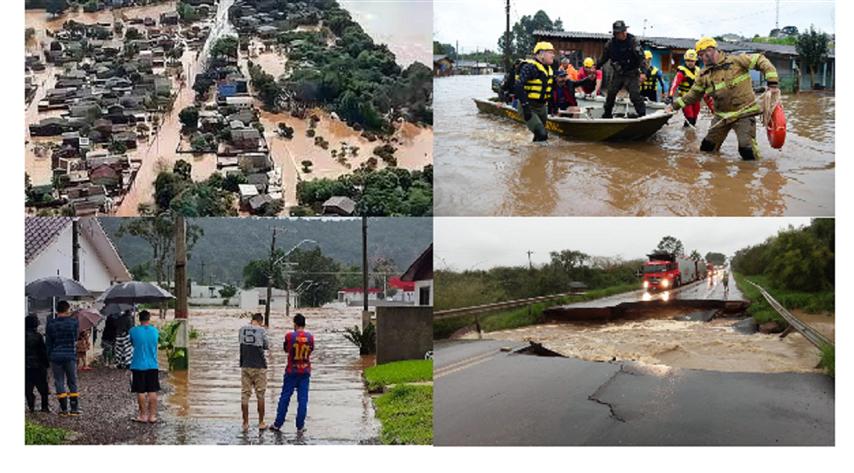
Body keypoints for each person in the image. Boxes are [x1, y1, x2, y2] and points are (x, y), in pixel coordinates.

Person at [667, 37, 779, 160]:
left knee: (746, 150)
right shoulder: (704, 75)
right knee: (707, 149)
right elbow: (692, 95)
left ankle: (751, 173)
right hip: (721, 117)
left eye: (703, 54)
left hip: (744, 114)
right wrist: (673, 106)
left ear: (711, 50)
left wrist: (772, 84)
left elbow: (760, 60)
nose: (701, 58)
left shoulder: (736, 61)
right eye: (700, 55)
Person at [270, 313, 315, 435]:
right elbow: (311, 350)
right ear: (304, 324)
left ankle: (278, 424)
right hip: (305, 372)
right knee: (303, 400)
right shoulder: (310, 337)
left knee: (285, 398)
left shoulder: (290, 336)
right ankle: (300, 426)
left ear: (295, 324)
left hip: (291, 371)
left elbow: (286, 349)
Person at [596, 20, 646, 118]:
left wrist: (643, 72)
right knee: (611, 93)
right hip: (618, 73)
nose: (622, 34)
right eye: (619, 33)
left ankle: (642, 115)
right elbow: (604, 57)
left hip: (632, 73)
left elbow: (641, 58)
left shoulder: (633, 41)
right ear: (615, 33)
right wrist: (596, 67)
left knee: (635, 96)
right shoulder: (610, 44)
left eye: (623, 31)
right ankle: (607, 114)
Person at [513, 41, 557, 142]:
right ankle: (539, 156)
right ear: (541, 54)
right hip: (528, 106)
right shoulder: (529, 67)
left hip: (541, 107)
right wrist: (525, 106)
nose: (553, 55)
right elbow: (518, 86)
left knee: (540, 136)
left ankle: (535, 154)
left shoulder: (550, 69)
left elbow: (550, 89)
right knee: (542, 134)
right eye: (550, 52)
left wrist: (553, 107)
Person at [45, 300, 80, 416]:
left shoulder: (50, 323)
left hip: (55, 356)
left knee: (59, 381)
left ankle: (64, 409)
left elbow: (48, 342)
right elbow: (75, 338)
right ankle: (74, 409)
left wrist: (49, 356)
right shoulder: (74, 322)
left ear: (57, 310)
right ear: (67, 310)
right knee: (72, 381)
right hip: (70, 355)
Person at [239, 313, 269, 432]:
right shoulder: (261, 330)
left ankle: (245, 423)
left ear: (252, 320)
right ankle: (261, 422)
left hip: (245, 365)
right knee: (260, 395)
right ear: (260, 321)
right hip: (259, 366)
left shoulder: (241, 329)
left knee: (245, 395)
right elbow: (266, 346)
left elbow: (241, 346)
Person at [129, 310, 160, 423]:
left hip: (138, 365)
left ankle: (143, 416)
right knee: (152, 391)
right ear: (149, 318)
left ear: (139, 318)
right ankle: (152, 416)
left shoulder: (133, 331)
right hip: (153, 365)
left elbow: (133, 343)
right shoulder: (155, 331)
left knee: (140, 391)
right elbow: (156, 343)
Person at [667, 49, 709, 127]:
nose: (690, 63)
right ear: (685, 60)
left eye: (692, 61)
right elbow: (674, 84)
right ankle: (686, 135)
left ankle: (689, 136)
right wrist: (670, 96)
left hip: (696, 98)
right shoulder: (681, 72)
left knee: (695, 118)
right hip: (685, 98)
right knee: (690, 118)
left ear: (695, 61)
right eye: (688, 60)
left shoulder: (698, 70)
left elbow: (704, 84)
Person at [25, 314, 50, 413]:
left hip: (25, 366)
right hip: (38, 365)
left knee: (28, 388)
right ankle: (44, 407)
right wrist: (47, 364)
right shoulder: (38, 336)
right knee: (43, 387)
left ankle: (31, 406)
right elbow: (43, 352)